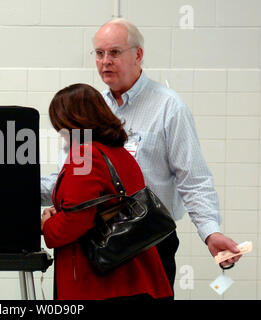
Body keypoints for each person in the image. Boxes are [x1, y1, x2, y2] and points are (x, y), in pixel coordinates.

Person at [41, 18, 241, 295]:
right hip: (97, 243)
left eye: (114, 52)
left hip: (149, 239)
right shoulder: (93, 106)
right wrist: (17, 187)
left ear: (138, 54)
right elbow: (71, 184)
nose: (105, 61)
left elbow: (193, 179)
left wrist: (210, 231)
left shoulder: (168, 106)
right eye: (99, 53)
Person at [41, 83, 173, 300]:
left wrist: (48, 225)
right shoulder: (119, 153)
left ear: (71, 122)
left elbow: (74, 222)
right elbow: (94, 207)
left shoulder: (85, 155)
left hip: (101, 285)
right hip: (134, 279)